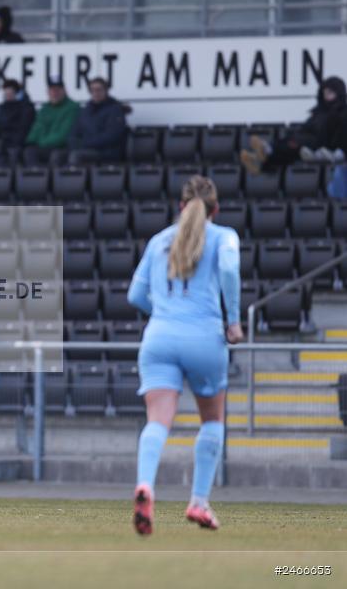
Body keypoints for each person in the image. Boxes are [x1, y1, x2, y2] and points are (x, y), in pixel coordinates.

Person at [126, 175, 242, 536]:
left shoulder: (159, 240)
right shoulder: (224, 237)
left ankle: (145, 485)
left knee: (157, 421)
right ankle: (198, 501)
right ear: (215, 209)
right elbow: (228, 269)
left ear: (180, 206)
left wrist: (161, 310)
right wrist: (233, 321)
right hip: (204, 337)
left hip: (159, 337)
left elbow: (134, 295)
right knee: (212, 419)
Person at [241, 76, 347, 174]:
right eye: (325, 93)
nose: (326, 96)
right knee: (290, 146)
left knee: (292, 146)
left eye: (330, 93)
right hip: (307, 143)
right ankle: (261, 160)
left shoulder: (342, 113)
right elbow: (306, 127)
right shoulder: (319, 112)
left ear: (339, 93)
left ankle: (265, 152)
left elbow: (338, 138)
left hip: (321, 145)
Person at [66, 77, 128, 165]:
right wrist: (74, 143)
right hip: (86, 148)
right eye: (92, 90)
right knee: (60, 155)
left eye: (99, 90)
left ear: (106, 90)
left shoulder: (115, 110)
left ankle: (73, 179)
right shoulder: (86, 110)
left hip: (106, 152)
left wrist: (85, 143)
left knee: (76, 156)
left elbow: (111, 136)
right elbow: (74, 132)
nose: (95, 93)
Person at [22, 76, 81, 165]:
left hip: (62, 146)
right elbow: (36, 129)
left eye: (58, 90)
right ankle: (35, 177)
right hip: (44, 146)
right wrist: (30, 141)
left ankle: (51, 178)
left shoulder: (72, 108)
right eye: (52, 90)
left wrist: (41, 143)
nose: (55, 93)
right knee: (28, 151)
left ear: (64, 91)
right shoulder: (45, 109)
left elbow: (63, 134)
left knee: (56, 155)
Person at [0, 79, 36, 165]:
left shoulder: (27, 108)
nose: (8, 96)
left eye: (10, 94)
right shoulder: (3, 107)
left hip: (17, 144)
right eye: (6, 94)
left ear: (18, 94)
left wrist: (12, 141)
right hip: (4, 142)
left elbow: (24, 128)